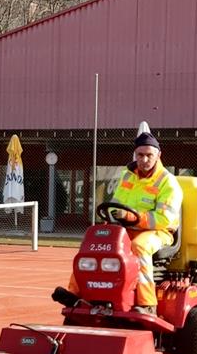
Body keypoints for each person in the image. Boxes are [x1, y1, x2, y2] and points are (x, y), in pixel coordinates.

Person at [59, 128, 182, 315]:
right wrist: (111, 215)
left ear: (158, 155)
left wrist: (134, 218)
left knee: (139, 246)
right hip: (127, 227)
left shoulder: (168, 182)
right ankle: (75, 294)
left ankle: (147, 303)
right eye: (140, 155)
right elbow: (117, 202)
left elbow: (165, 218)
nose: (144, 160)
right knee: (93, 245)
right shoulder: (128, 175)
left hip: (159, 231)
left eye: (149, 155)